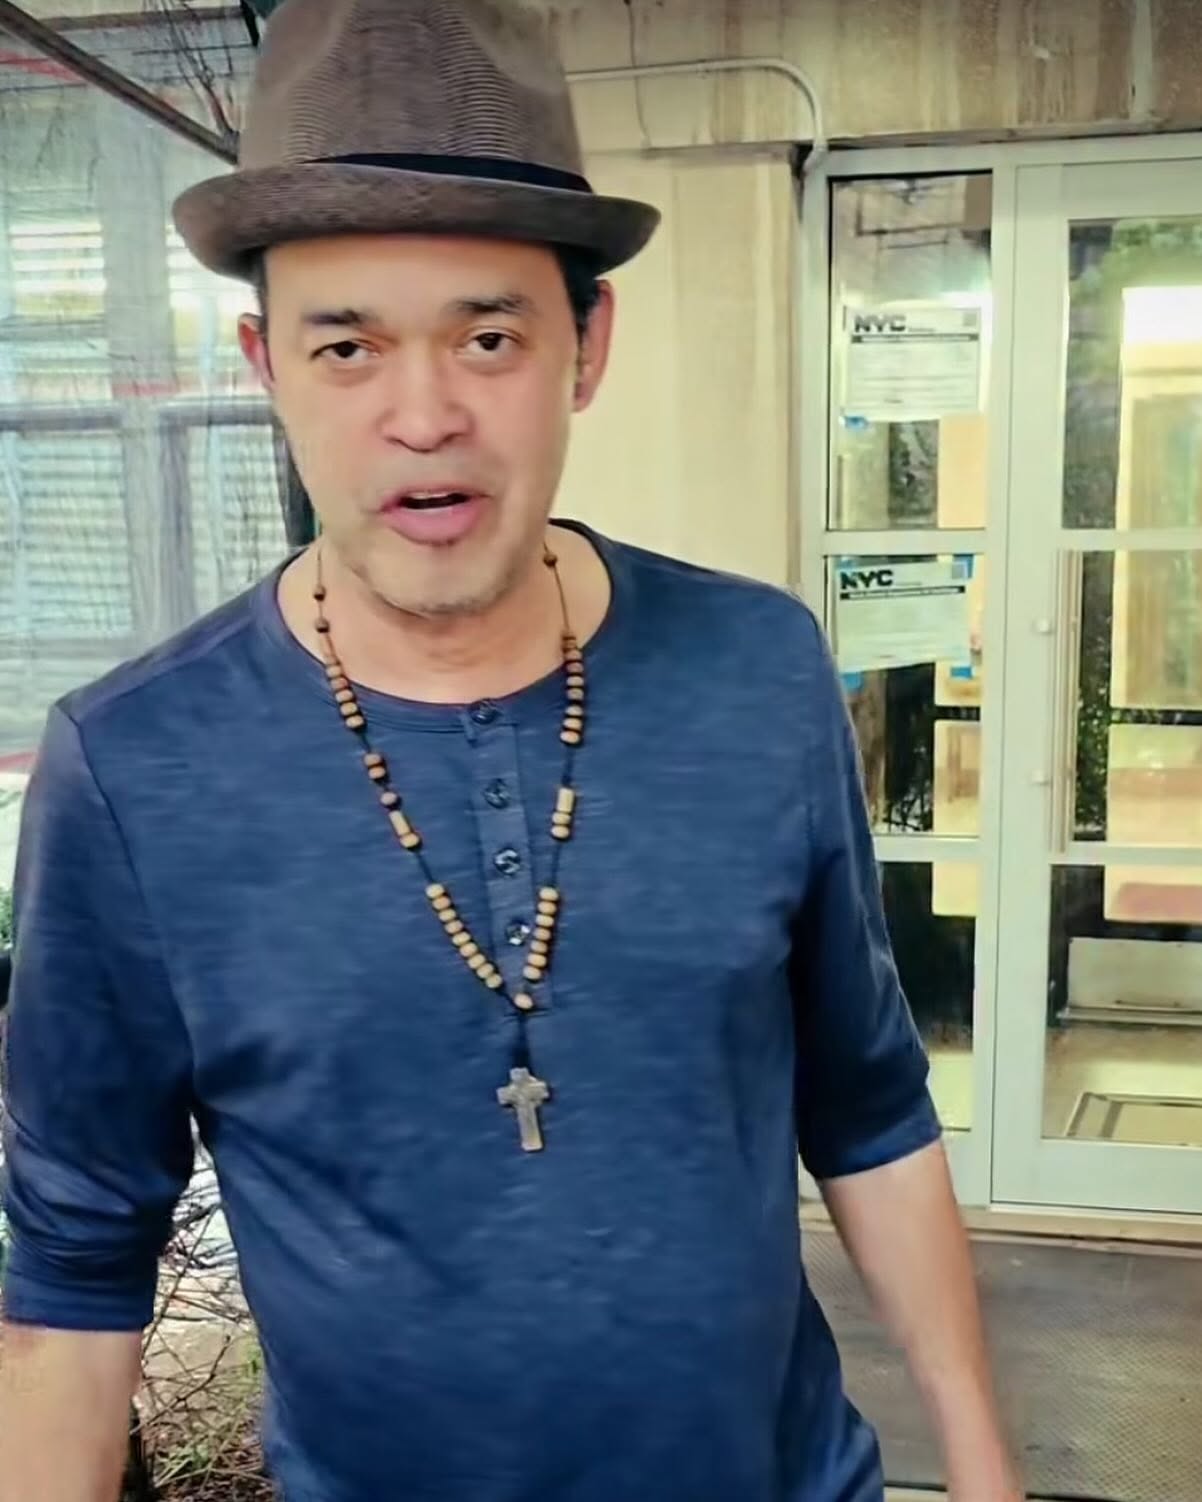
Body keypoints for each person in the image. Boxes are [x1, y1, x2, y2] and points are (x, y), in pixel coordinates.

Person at [0, 2, 1023, 1499]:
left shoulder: (759, 669)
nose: (423, 416)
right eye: (346, 347)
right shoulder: (132, 768)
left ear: (584, 347)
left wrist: (984, 1465)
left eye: (488, 338)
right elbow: (77, 1266)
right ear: (267, 362)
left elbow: (865, 1103)